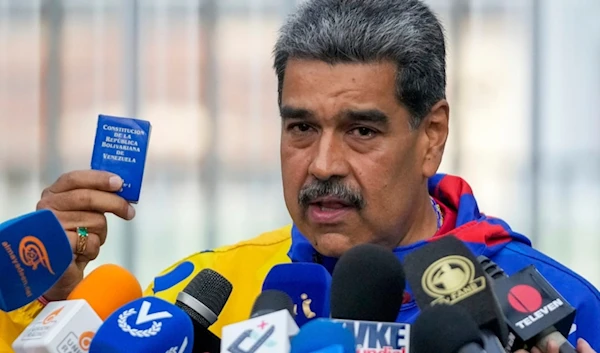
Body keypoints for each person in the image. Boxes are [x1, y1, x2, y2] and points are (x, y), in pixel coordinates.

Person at [1, 0, 599, 351]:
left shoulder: (556, 307)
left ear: (431, 136)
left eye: (362, 130)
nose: (322, 164)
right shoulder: (208, 288)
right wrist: (41, 300)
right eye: (301, 127)